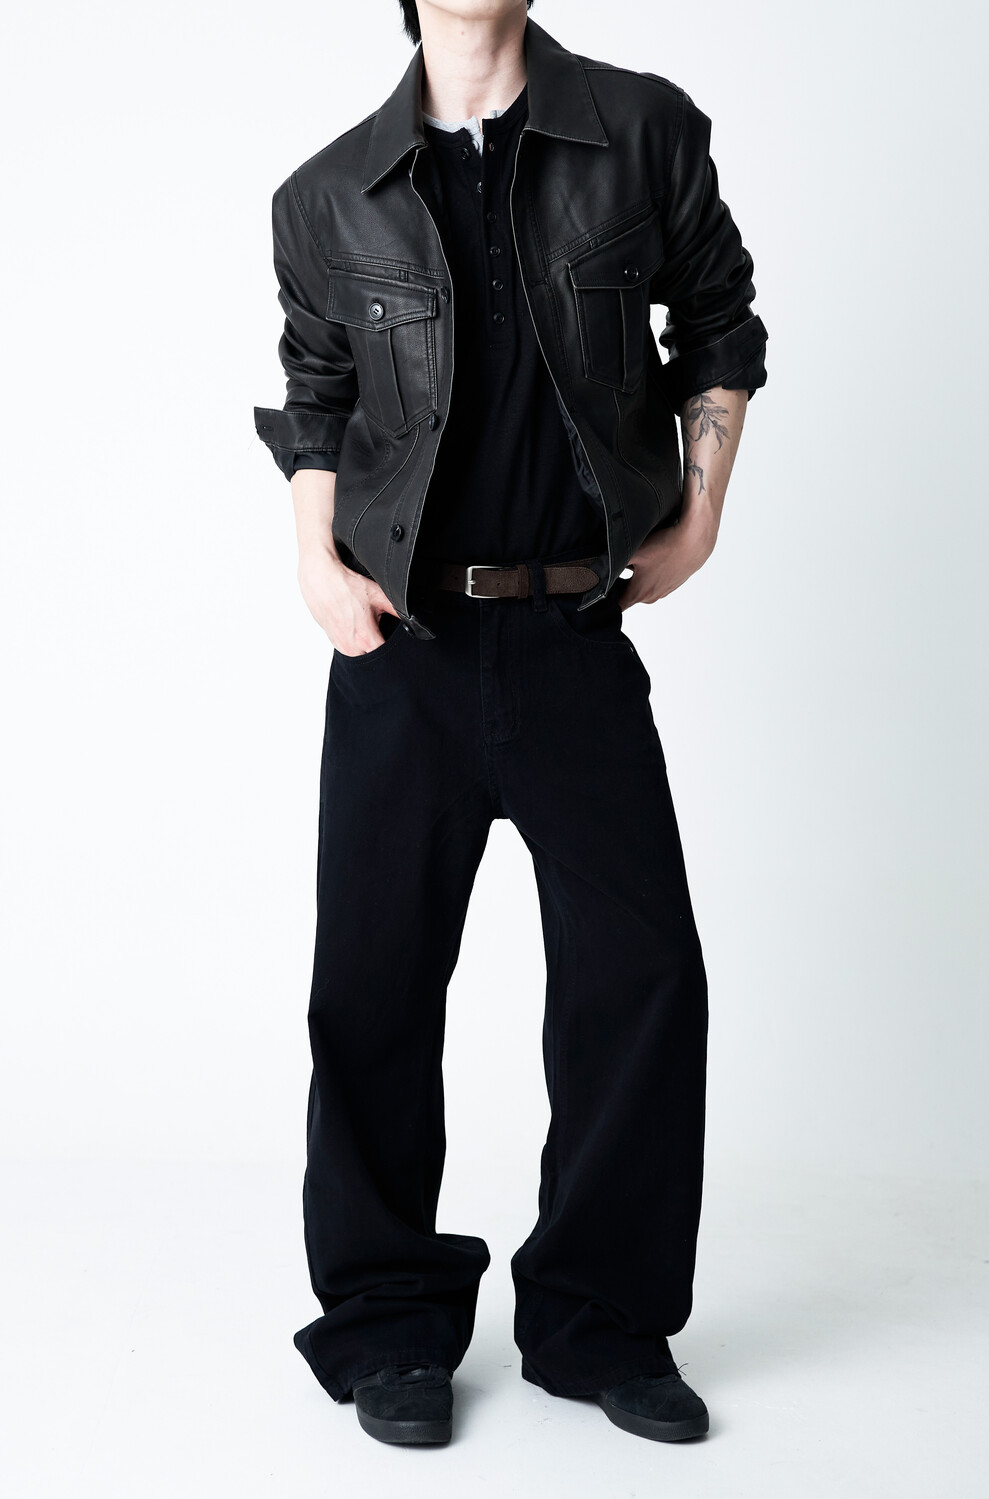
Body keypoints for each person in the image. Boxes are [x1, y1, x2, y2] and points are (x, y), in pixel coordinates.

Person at [253, 0, 767, 1448]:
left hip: (570, 637)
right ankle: (386, 1324)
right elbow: (316, 393)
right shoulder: (328, 193)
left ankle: (601, 1319)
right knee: (371, 989)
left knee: (639, 976)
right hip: (403, 646)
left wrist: (701, 515)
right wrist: (316, 566)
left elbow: (720, 320)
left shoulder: (640, 129)